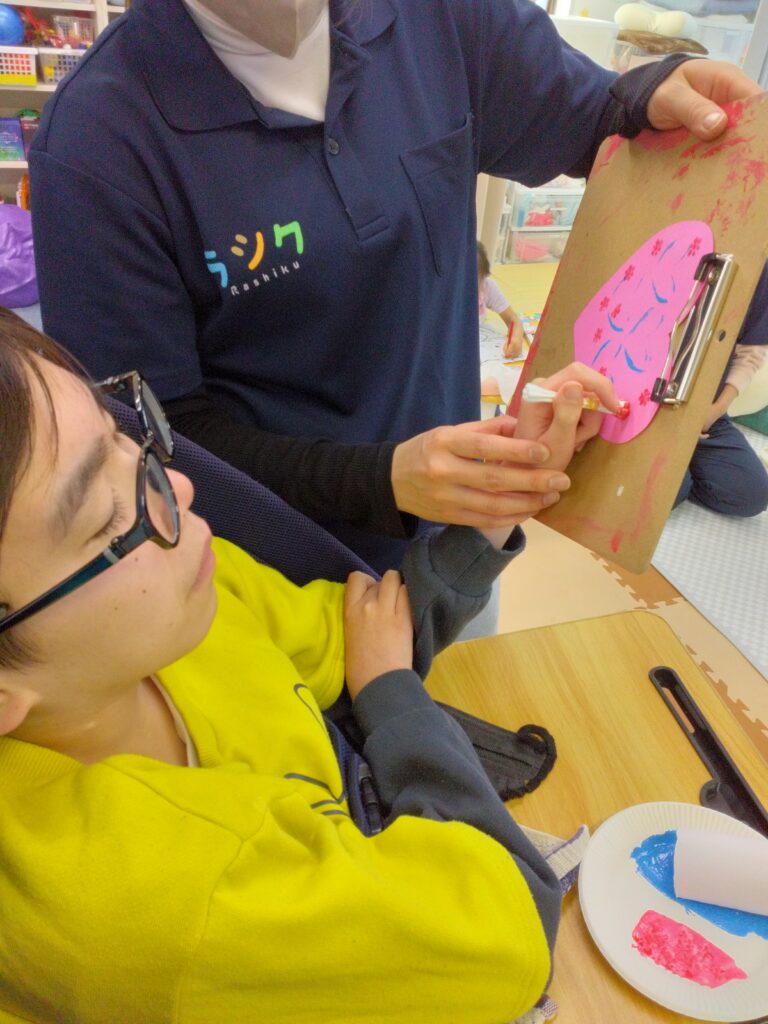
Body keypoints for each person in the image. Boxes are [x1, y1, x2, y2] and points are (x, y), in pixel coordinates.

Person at [0, 311, 616, 1022]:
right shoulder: (172, 904)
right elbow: (510, 929)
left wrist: (503, 492)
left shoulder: (179, 596)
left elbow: (356, 635)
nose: (182, 487)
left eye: (123, 440)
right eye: (107, 515)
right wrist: (393, 697)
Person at [28, 0, 761, 571]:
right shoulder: (99, 142)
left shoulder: (442, 18)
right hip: (273, 565)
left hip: (466, 526)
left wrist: (652, 94)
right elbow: (154, 436)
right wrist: (384, 481)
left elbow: (599, 115)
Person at [675, 269, 768, 516]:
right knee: (672, 491)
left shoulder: (762, 268)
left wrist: (715, 411)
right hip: (650, 399)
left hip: (707, 410)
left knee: (752, 494)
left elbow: (750, 354)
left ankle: (680, 467)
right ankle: (677, 474)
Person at [478, 239, 526, 358]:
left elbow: (513, 319)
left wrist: (516, 338)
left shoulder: (487, 286)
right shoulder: (442, 294)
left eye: (479, 280)